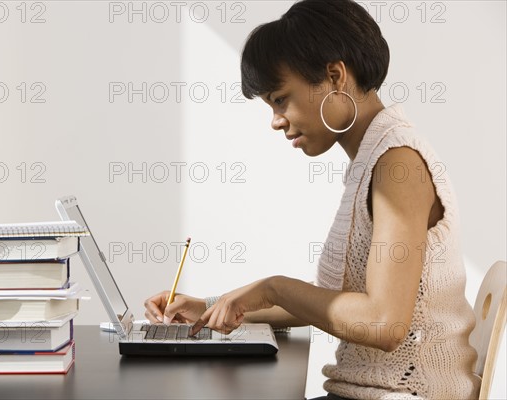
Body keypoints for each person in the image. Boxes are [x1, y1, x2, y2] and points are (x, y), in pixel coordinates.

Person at [144, 0, 480, 398]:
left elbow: (384, 324)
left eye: (281, 98)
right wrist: (212, 305)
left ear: (335, 76)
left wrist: (274, 286)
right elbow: (330, 303)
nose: (275, 120)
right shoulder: (375, 158)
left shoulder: (397, 165)